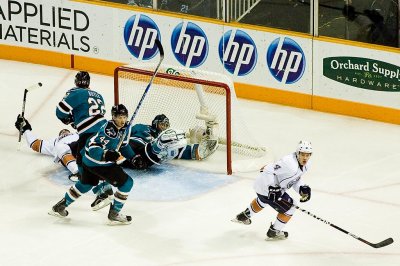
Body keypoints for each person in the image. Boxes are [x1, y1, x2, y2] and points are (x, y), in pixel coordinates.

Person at [49, 104, 137, 225]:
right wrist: (106, 155)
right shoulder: (108, 130)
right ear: (113, 117)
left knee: (86, 184)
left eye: (124, 117)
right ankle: (114, 213)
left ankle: (60, 206)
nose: (122, 120)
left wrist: (134, 157)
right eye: (119, 117)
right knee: (127, 183)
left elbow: (124, 145)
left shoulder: (126, 128)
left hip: (87, 161)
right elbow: (94, 148)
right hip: (98, 162)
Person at [232, 140, 313, 240]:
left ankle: (243, 216)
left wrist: (301, 188)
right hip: (267, 187)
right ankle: (274, 232)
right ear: (298, 153)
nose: (305, 158)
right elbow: (267, 169)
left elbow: (295, 179)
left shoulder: (305, 165)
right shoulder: (289, 163)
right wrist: (272, 187)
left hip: (264, 188)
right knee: (291, 207)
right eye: (303, 155)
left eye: (308, 155)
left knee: (263, 200)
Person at [56, 71, 107, 174]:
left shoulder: (76, 92)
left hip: (88, 131)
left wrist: (69, 119)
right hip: (104, 129)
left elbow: (60, 111)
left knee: (81, 160)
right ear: (88, 82)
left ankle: (84, 179)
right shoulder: (99, 95)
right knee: (100, 155)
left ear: (76, 81)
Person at [14, 115, 80, 181]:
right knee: (59, 147)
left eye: (66, 130)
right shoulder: (54, 142)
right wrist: (26, 129)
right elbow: (34, 144)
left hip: (81, 145)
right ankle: (78, 172)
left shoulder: (76, 134)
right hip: (68, 152)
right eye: (62, 132)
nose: (64, 131)